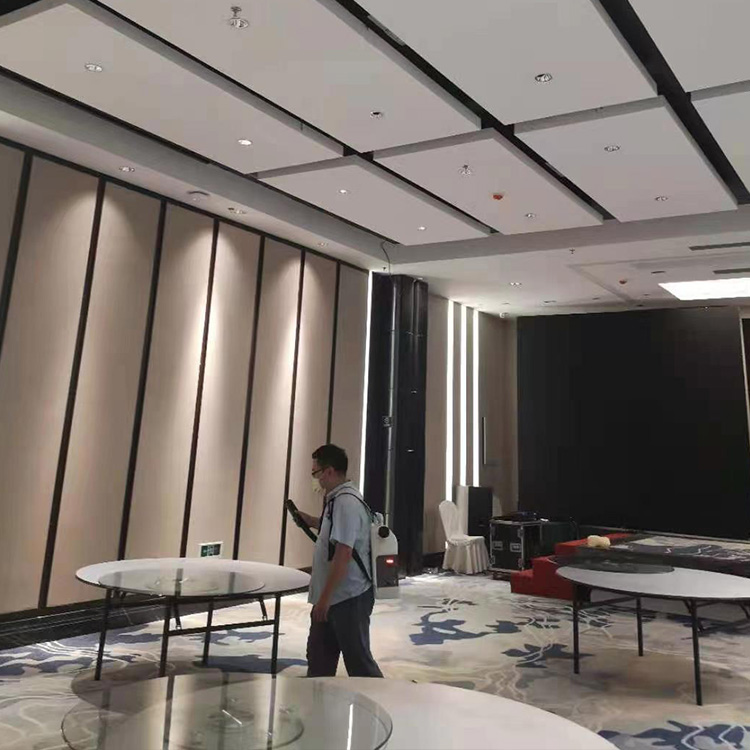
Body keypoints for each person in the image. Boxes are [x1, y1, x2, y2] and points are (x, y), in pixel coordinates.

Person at [296, 444, 383, 678]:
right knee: (319, 657)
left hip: (347, 597)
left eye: (316, 473)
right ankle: (319, 696)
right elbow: (336, 532)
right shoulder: (337, 500)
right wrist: (310, 521)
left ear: (330, 471)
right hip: (334, 595)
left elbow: (343, 553)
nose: (315, 479)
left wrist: (324, 600)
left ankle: (380, 697)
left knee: (358, 662)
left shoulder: (346, 503)